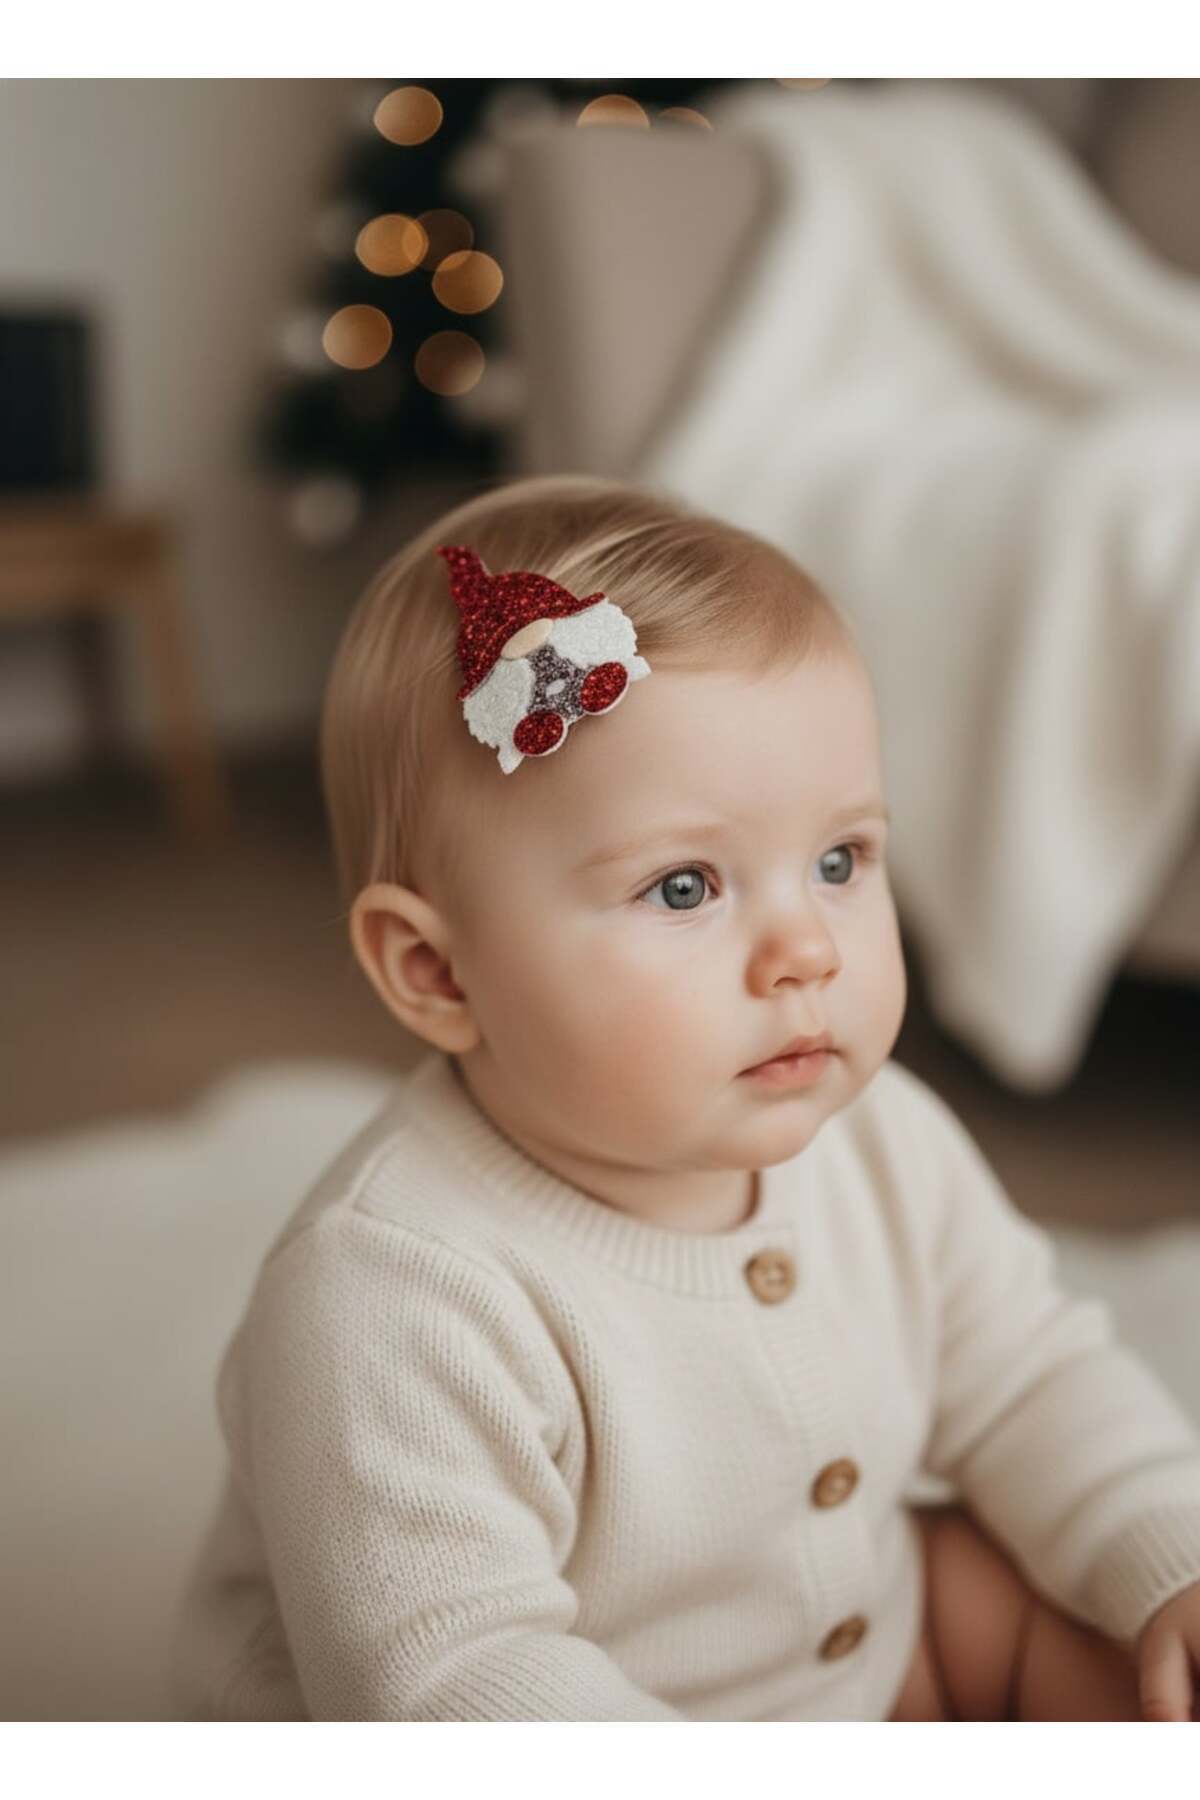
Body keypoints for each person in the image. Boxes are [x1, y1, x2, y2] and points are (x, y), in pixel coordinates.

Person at [170, 472, 1200, 1721]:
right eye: (683, 888)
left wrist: (1163, 1552)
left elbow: (1030, 1380)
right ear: (438, 972)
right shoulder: (390, 1297)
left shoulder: (881, 1143)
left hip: (865, 1649)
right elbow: (457, 1679)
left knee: (1112, 1642)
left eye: (840, 861)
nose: (806, 951)